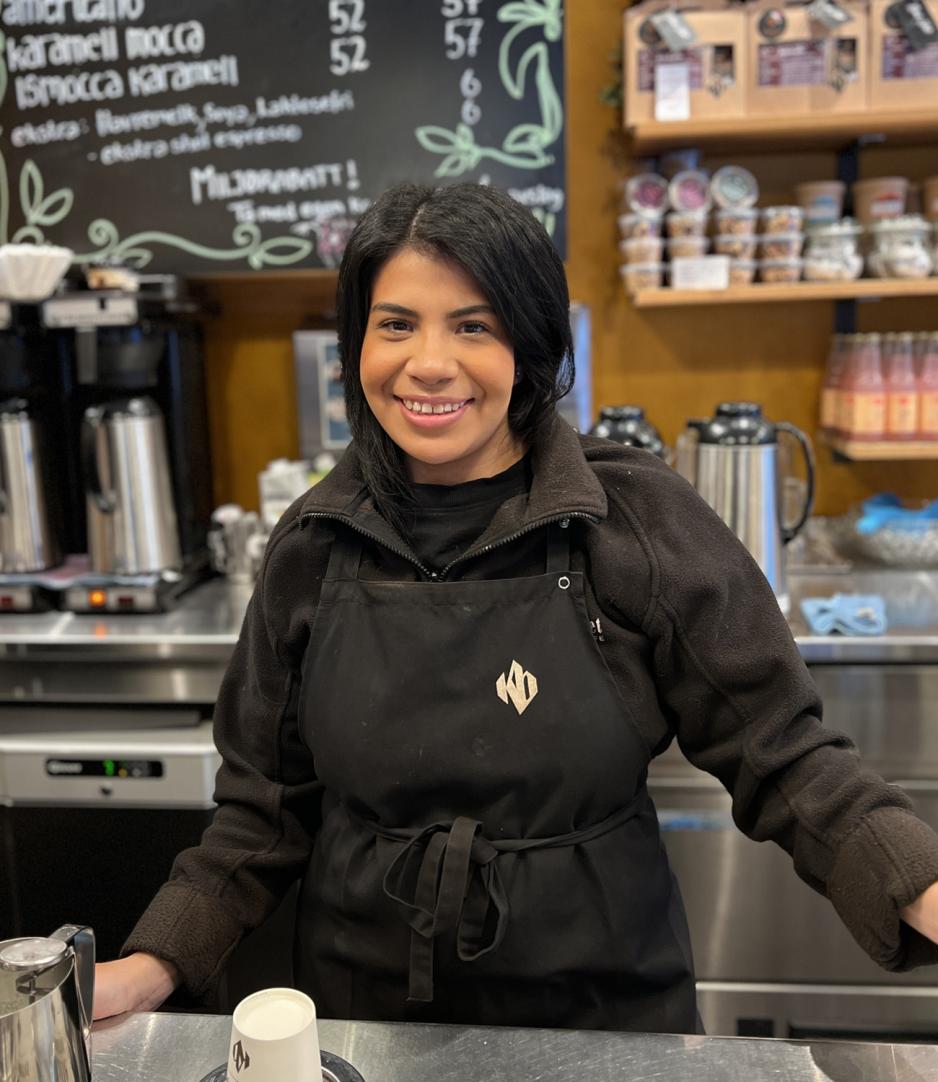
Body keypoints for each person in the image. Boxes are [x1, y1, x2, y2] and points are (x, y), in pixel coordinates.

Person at [94, 182, 938, 1031]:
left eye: (474, 324)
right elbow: (260, 811)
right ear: (355, 346)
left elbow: (784, 754)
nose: (429, 362)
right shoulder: (313, 543)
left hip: (601, 1006)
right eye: (396, 324)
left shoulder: (633, 520)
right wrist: (153, 960)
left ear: (529, 344)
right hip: (365, 1010)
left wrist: (920, 885)